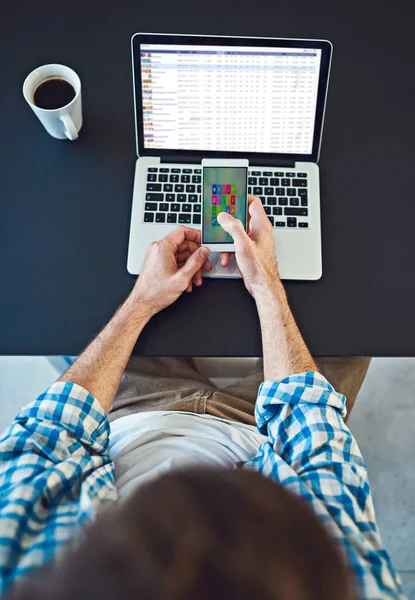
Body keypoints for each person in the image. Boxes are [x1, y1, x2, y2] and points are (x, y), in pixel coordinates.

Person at [0, 196, 403, 599]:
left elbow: (52, 429)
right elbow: (313, 437)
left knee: (48, 313)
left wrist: (142, 302)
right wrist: (266, 285)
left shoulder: (17, 563)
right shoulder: (345, 584)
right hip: (264, 437)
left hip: (129, 417)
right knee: (364, 325)